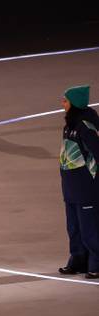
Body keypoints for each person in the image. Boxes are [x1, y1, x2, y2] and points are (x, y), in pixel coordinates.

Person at [58, 85, 99, 279]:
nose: (62, 103)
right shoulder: (70, 125)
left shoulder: (86, 126)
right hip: (71, 185)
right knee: (73, 226)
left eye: (65, 100)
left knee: (89, 227)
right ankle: (78, 259)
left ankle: (96, 262)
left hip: (85, 186)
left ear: (74, 103)